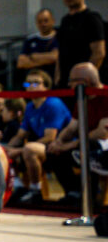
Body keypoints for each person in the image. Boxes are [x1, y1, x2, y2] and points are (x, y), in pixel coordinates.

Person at [2, 69, 72, 206]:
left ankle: (35, 191)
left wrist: (20, 150)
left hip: (60, 145)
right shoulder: (29, 106)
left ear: (46, 86)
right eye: (28, 84)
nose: (31, 87)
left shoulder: (53, 104)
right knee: (4, 149)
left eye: (36, 83)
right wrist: (7, 148)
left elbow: (50, 137)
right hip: (41, 145)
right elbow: (20, 135)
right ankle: (18, 186)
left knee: (29, 149)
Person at [46, 63, 108, 204]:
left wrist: (70, 145)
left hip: (102, 145)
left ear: (83, 82)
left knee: (90, 148)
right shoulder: (82, 99)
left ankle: (92, 196)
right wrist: (58, 142)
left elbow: (102, 133)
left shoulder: (105, 96)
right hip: (84, 141)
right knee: (53, 152)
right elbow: (72, 127)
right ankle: (74, 191)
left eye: (72, 81)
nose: (69, 85)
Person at [56, 0, 105, 87]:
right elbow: (61, 53)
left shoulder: (92, 18)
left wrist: (84, 79)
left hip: (84, 85)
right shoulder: (65, 21)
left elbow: (99, 53)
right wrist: (58, 77)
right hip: (66, 83)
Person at [16, 8, 58, 83]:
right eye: (39, 22)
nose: (43, 24)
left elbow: (55, 57)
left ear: (53, 21)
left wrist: (33, 57)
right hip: (32, 84)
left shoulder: (60, 38)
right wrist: (48, 59)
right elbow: (21, 63)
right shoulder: (30, 40)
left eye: (46, 21)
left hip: (53, 82)